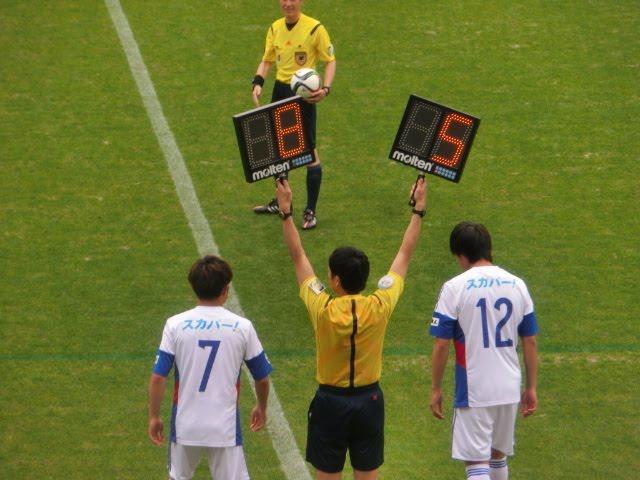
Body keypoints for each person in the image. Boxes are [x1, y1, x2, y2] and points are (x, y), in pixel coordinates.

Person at [275, 177, 427, 479]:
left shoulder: (324, 310)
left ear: (335, 280)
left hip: (330, 403)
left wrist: (286, 213)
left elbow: (299, 258)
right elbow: (404, 255)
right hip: (370, 402)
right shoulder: (379, 306)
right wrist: (418, 210)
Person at [428, 222, 539, 480]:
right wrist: (531, 387)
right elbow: (530, 341)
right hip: (509, 387)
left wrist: (435, 388)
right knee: (498, 456)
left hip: (475, 389)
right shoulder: (517, 285)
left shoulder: (454, 287)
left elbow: (442, 344)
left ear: (461, 254)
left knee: (476, 464)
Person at [148, 255, 273, 480]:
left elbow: (159, 377)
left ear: (194, 288)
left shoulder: (174, 325)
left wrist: (154, 417)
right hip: (224, 427)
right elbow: (262, 378)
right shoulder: (242, 327)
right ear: (226, 289)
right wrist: (261, 407)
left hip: (185, 426)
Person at [251, 0, 336, 230]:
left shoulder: (315, 28)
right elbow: (267, 60)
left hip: (302, 96)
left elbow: (330, 61)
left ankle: (310, 211)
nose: (288, 4)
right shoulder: (275, 28)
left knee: (309, 152)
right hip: (280, 91)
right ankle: (282, 202)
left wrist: (325, 89)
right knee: (278, 150)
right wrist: (258, 82)